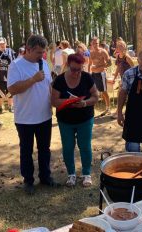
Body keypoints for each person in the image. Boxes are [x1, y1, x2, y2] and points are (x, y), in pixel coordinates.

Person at [7, 35, 59, 195]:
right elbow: (12, 89)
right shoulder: (16, 65)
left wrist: (53, 102)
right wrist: (33, 79)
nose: (41, 55)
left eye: (43, 52)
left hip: (44, 115)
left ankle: (45, 176)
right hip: (25, 118)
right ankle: (28, 181)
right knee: (26, 150)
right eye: (38, 52)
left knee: (45, 149)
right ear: (28, 50)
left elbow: (48, 86)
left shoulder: (43, 62)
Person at [51, 54, 99, 187]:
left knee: (84, 146)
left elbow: (96, 96)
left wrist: (84, 103)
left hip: (85, 118)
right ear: (67, 66)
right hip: (65, 120)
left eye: (80, 69)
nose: (77, 73)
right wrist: (68, 101)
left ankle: (86, 174)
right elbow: (54, 101)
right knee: (67, 147)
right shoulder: (59, 80)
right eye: (73, 69)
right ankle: (71, 174)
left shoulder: (87, 77)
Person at [88, 37, 111, 115]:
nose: (95, 45)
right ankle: (92, 109)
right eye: (93, 43)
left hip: (101, 74)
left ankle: (108, 108)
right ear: (91, 44)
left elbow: (109, 63)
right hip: (93, 74)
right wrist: (88, 73)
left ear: (99, 43)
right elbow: (89, 63)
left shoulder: (103, 51)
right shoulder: (91, 52)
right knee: (93, 91)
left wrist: (100, 67)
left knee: (104, 91)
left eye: (97, 43)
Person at [0, 37, 14, 114]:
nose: (2, 45)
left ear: (6, 43)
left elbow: (13, 65)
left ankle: (10, 107)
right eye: (0, 44)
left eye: (3, 43)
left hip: (10, 77)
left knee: (10, 92)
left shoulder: (10, 52)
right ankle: (0, 108)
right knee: (0, 94)